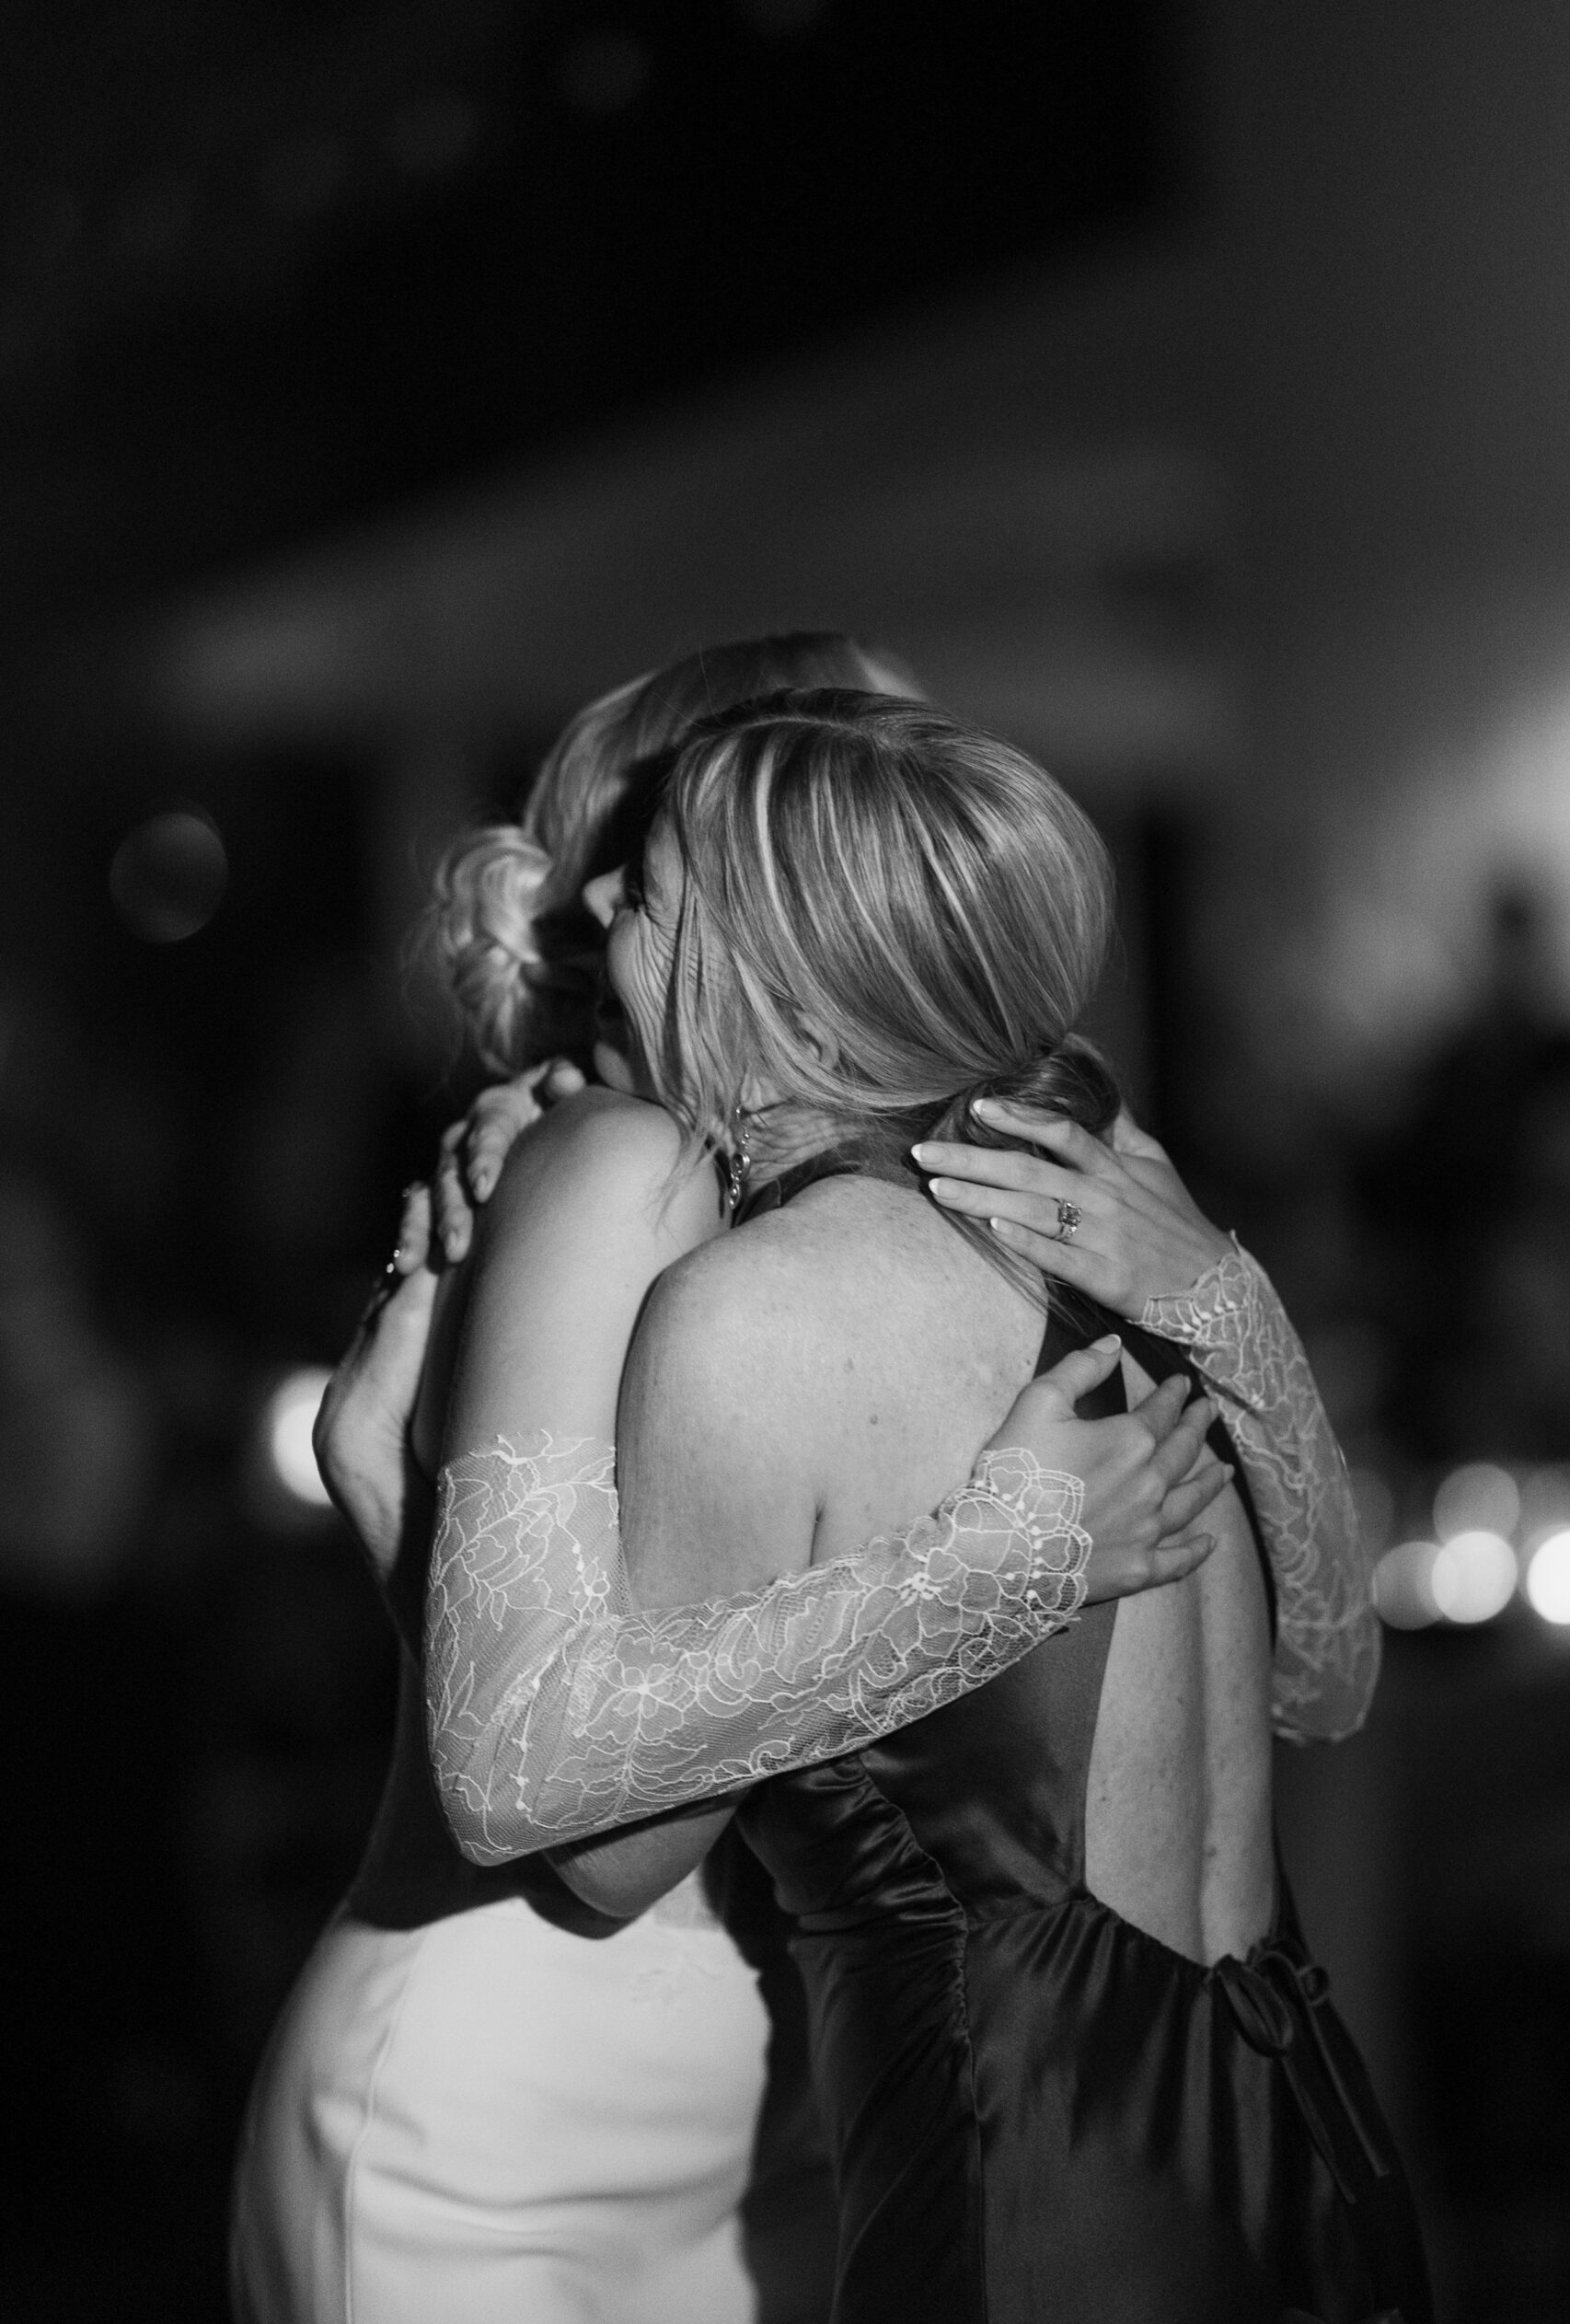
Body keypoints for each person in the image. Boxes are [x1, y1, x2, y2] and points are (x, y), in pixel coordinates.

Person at [231, 637, 1228, 2324]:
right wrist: (996, 1565)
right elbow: (555, 1797)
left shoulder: (929, 1194)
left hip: (797, 2081)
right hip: (523, 2084)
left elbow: (1287, 1672)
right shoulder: (611, 1159)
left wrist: (1220, 1299)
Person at [424, 688, 1432, 2322]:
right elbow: (1326, 1683)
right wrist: (1234, 1310)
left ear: (800, 1022)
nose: (597, 904)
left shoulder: (756, 1314)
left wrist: (989, 1570)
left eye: (654, 893)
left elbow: (578, 1840)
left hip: (1045, 2201)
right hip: (1305, 2149)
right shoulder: (1115, 1235)